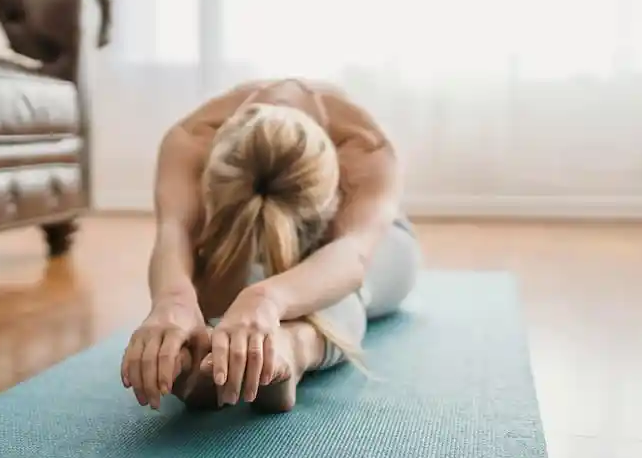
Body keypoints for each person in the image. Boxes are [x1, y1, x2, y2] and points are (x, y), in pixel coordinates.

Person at [119, 78, 422, 413]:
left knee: (346, 288)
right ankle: (207, 352)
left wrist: (267, 299)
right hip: (239, 244)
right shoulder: (191, 141)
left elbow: (354, 254)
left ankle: (293, 348)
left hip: (372, 244)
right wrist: (173, 303)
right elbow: (175, 232)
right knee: (211, 277)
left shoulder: (366, 149)